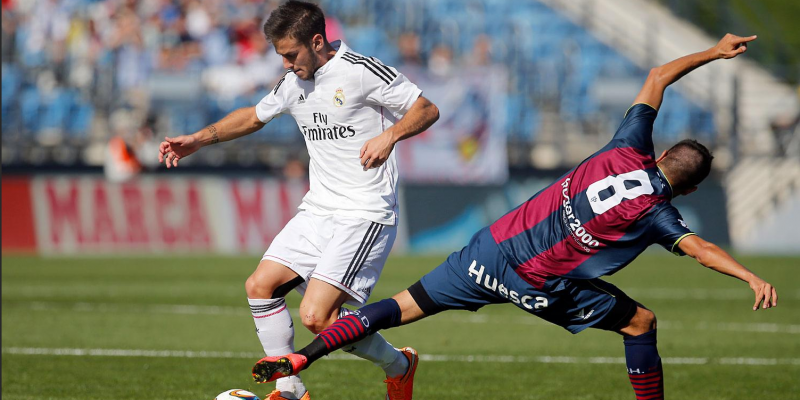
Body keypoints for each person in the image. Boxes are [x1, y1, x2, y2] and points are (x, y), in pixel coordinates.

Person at [251, 34, 778, 400]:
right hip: (539, 284)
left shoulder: (627, 145)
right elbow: (702, 250)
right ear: (688, 189)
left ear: (660, 155)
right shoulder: (659, 214)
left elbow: (658, 75)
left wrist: (714, 51)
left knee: (397, 306)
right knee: (641, 323)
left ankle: (303, 359)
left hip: (489, 250)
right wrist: (749, 275)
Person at [157, 2, 439, 400]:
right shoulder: (294, 82)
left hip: (365, 211)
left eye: (291, 54)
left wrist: (389, 136)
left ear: (317, 41)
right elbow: (255, 116)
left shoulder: (360, 71)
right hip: (319, 209)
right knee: (260, 286)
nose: (287, 64)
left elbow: (426, 109)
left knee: (316, 317)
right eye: (281, 56)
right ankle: (290, 391)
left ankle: (399, 365)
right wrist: (198, 140)